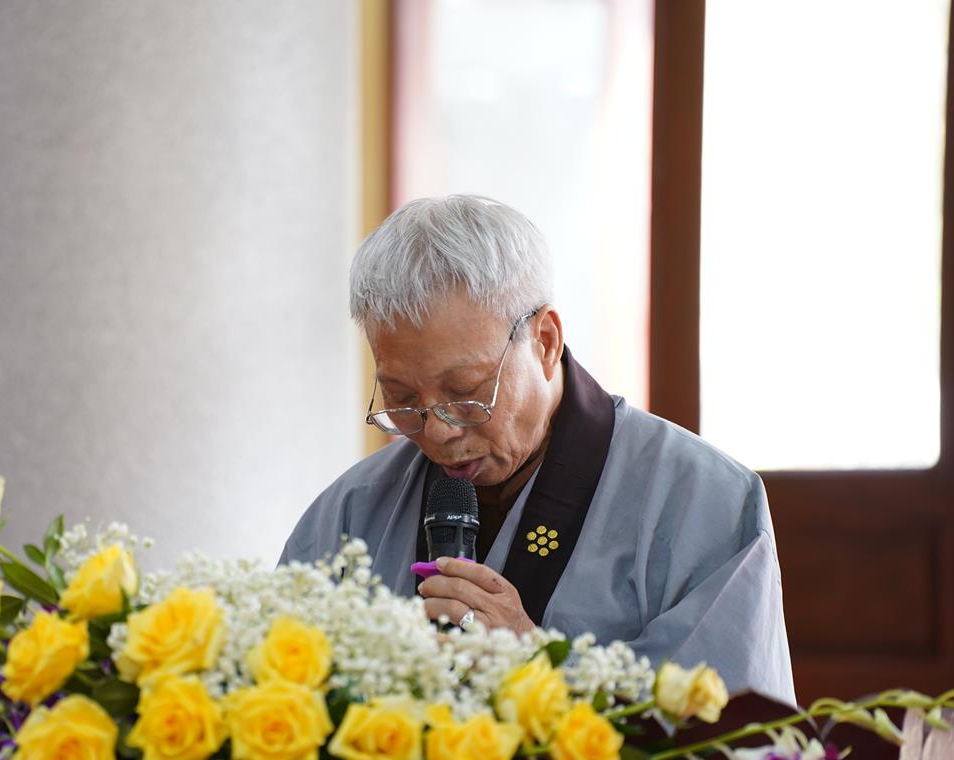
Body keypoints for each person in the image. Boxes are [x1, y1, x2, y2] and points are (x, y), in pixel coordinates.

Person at [281, 195, 795, 705]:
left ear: (545, 341)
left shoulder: (707, 501)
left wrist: (537, 665)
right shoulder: (350, 511)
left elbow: (734, 733)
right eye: (403, 399)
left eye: (465, 392)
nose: (437, 433)